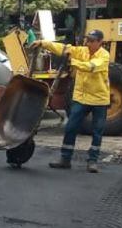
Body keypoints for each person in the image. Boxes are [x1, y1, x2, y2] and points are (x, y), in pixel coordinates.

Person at [32, 29, 111, 173]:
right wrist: (43, 43)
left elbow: (91, 67)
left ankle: (92, 161)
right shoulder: (82, 51)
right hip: (81, 98)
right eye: (88, 40)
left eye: (92, 41)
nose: (88, 43)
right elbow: (63, 48)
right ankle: (65, 159)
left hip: (99, 99)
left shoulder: (104, 56)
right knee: (70, 128)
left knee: (97, 131)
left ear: (100, 42)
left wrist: (72, 61)